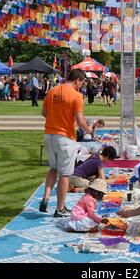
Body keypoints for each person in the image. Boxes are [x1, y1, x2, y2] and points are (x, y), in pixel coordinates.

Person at [39, 69, 93, 217]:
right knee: (65, 174)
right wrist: (89, 130)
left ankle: (46, 197)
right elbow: (80, 121)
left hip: (49, 134)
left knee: (53, 168)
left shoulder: (53, 90)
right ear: (77, 80)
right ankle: (60, 208)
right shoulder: (76, 96)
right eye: (81, 83)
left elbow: (44, 113)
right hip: (65, 137)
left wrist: (57, 116)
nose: (81, 86)